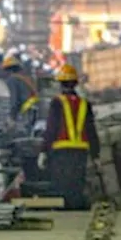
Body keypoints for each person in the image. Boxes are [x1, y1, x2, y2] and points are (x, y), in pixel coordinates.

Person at [40, 64, 100, 210]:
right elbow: (91, 130)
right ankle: (76, 207)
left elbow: (51, 128)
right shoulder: (85, 104)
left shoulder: (57, 102)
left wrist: (43, 151)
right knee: (77, 182)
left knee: (61, 182)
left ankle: (64, 209)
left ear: (60, 84)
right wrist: (96, 154)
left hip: (61, 150)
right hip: (80, 150)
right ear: (76, 83)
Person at [1, 51, 40, 132]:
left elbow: (14, 100)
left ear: (9, 70)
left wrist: (12, 118)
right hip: (34, 111)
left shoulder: (12, 79)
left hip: (25, 114)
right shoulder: (27, 78)